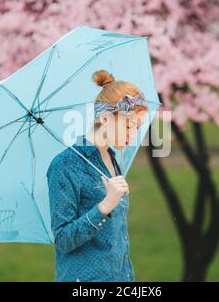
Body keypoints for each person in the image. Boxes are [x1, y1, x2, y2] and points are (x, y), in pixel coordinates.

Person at [46, 69, 148, 282]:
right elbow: (63, 240)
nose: (133, 134)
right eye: (129, 125)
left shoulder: (112, 159)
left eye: (137, 127)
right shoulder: (66, 165)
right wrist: (105, 206)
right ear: (105, 118)